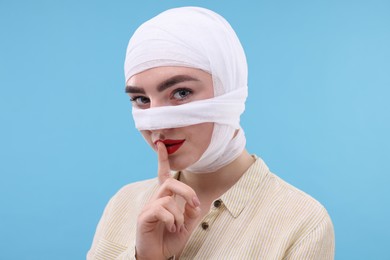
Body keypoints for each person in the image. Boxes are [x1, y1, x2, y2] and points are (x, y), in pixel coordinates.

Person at [87, 6, 335, 260]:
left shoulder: (303, 224)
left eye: (181, 93)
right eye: (141, 99)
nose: (158, 125)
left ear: (230, 90)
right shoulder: (124, 204)